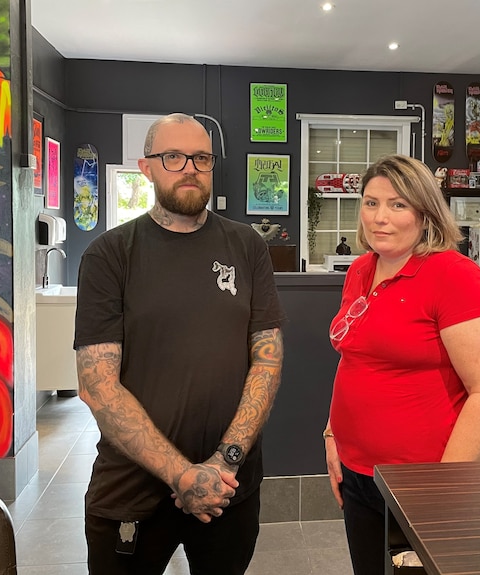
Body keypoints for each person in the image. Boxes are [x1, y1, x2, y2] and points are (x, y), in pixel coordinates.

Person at [73, 113, 286, 575]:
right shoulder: (110, 255)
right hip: (132, 491)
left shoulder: (247, 246)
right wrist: (182, 474)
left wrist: (223, 463)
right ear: (146, 167)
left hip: (229, 487)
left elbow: (266, 360)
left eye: (202, 157)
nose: (190, 167)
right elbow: (97, 386)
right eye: (173, 156)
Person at [323, 154, 480, 575]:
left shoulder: (453, 275)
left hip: (423, 483)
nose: (380, 217)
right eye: (371, 203)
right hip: (359, 474)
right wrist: (333, 432)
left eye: (397, 204)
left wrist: (441, 492)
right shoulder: (360, 270)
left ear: (425, 213)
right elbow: (355, 358)